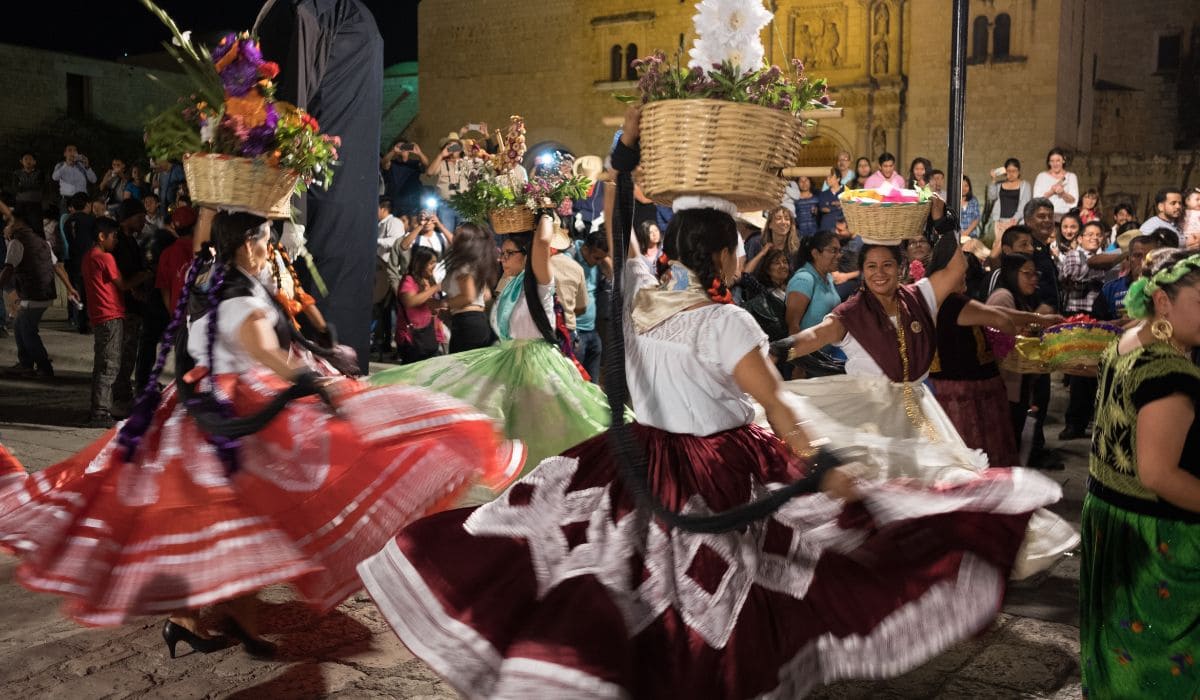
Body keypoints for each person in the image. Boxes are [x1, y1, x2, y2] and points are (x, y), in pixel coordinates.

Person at [356, 194, 1069, 699]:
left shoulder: (639, 308)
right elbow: (777, 403)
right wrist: (822, 464)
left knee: (630, 579)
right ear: (726, 253)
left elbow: (627, 259)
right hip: (717, 468)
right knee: (755, 583)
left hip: (639, 458)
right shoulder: (725, 325)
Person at [0, 207, 517, 657]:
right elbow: (266, 352)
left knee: (230, 527)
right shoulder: (240, 297)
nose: (272, 250)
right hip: (221, 420)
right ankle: (206, 621)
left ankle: (206, 622)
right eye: (267, 241)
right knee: (240, 522)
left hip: (197, 413)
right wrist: (315, 382)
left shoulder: (212, 283)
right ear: (248, 245)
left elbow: (232, 343)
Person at [370, 213, 615, 473]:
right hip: (514, 359)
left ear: (527, 254)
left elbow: (542, 242)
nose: (502, 258)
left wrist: (543, 210)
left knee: (546, 428)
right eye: (503, 252)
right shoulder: (511, 283)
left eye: (509, 254)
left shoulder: (540, 281)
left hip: (538, 365)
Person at [1080, 248, 1200, 698]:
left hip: (1110, 519)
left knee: (1119, 650)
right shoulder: (1168, 371)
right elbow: (1160, 475)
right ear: (1164, 302)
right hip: (1158, 540)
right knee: (1161, 665)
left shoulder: (1128, 341)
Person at [256, 0, 385, 369]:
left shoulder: (314, 10)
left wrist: (292, 206)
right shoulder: (356, 16)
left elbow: (290, 108)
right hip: (346, 194)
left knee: (311, 291)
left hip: (319, 192)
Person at [986, 254, 1059, 467]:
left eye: (1035, 274)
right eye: (1027, 273)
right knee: (1006, 446)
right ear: (1011, 273)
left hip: (1017, 386)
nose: (1033, 279)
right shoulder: (1003, 297)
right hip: (1004, 387)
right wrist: (1038, 317)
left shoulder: (1021, 300)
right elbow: (1005, 341)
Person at [0, 201, 79, 378]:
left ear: (18, 224)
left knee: (26, 329)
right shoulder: (41, 241)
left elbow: (7, 270)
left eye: (10, 223)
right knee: (21, 325)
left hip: (32, 293)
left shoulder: (17, 242)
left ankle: (43, 366)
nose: (7, 227)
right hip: (45, 293)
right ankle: (26, 364)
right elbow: (57, 266)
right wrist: (70, 288)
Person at [437, 222, 495, 353]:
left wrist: (443, 303)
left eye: (457, 234)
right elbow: (486, 295)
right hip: (472, 321)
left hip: (468, 323)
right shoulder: (474, 263)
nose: (453, 236)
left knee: (461, 370)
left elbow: (468, 297)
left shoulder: (464, 265)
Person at [567, 231, 611, 383]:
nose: (599, 262)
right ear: (585, 249)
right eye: (597, 257)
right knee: (576, 382)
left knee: (594, 384)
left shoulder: (598, 263)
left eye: (602, 258)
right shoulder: (569, 259)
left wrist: (605, 261)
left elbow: (613, 276)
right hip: (574, 332)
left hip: (592, 330)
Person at [395, 247, 444, 364]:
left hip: (430, 336)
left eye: (435, 263)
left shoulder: (430, 280)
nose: (434, 266)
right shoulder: (409, 280)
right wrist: (435, 288)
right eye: (431, 263)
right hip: (412, 338)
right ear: (421, 263)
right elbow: (410, 302)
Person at [987, 158, 1032, 238]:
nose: (1011, 174)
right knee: (999, 246)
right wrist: (993, 180)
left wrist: (1012, 222)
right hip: (1000, 223)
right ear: (1005, 171)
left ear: (1019, 172)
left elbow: (1024, 206)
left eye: (1014, 171)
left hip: (1017, 222)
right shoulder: (999, 184)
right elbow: (991, 196)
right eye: (1009, 171)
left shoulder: (1025, 185)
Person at [1032, 147, 1079, 220]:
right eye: (1052, 161)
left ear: (1063, 161)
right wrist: (1051, 192)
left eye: (1058, 160)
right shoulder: (1041, 176)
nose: (1055, 164)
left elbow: (1074, 202)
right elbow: (1036, 201)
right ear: (1049, 162)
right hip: (1045, 216)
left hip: (1065, 216)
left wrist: (1063, 193)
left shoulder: (1071, 177)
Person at [51, 145, 96, 213]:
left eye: (75, 150)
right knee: (66, 222)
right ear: (65, 154)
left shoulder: (82, 165)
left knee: (83, 222)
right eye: (69, 150)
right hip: (67, 200)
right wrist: (67, 164)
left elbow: (93, 180)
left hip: (82, 200)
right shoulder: (60, 165)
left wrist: (87, 166)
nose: (72, 152)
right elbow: (54, 177)